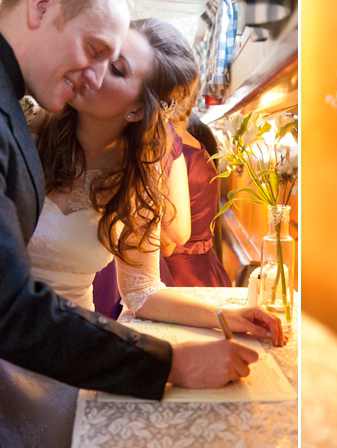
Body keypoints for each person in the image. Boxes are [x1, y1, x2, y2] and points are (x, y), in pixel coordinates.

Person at [0, 0, 264, 429]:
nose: (92, 70)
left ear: (138, 109)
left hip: (70, 354)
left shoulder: (137, 183)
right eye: (97, 52)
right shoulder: (22, 129)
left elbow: (140, 290)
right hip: (22, 335)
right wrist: (168, 364)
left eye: (114, 66)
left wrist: (224, 317)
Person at [162, 111, 232, 287]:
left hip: (177, 275)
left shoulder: (173, 154)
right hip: (206, 269)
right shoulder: (200, 148)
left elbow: (167, 246)